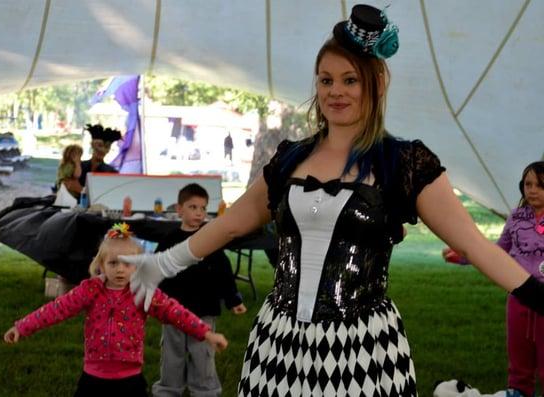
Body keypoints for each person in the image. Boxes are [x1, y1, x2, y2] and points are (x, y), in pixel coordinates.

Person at [120, 5, 544, 396]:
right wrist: (162, 264)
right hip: (278, 343)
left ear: (375, 84)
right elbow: (231, 224)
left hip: (364, 349)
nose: (335, 92)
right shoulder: (290, 158)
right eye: (326, 80)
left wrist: (538, 297)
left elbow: (474, 244)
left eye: (350, 80)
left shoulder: (404, 162)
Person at [3, 223, 228, 397]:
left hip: (129, 380)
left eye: (127, 263)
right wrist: (21, 327)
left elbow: (175, 312)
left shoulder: (142, 292)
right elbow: (56, 309)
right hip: (93, 376)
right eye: (113, 263)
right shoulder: (90, 290)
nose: (120, 269)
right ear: (101, 265)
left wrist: (205, 332)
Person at [443, 161, 544, 397]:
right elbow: (497, 251)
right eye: (528, 184)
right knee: (519, 364)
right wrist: (465, 256)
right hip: (518, 298)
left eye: (540, 185)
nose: (532, 190)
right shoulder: (517, 217)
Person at [152, 183, 247, 397]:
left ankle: (204, 391)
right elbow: (157, 268)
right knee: (171, 355)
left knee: (202, 354)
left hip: (204, 309)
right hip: (173, 311)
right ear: (179, 209)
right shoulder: (169, 240)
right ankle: (168, 390)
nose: (199, 213)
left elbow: (223, 271)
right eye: (193, 207)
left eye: (203, 208)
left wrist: (234, 300)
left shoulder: (210, 238)